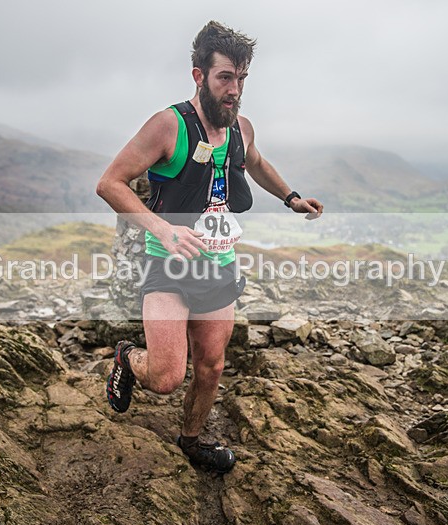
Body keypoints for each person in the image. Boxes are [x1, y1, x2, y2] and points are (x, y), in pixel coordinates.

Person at [96, 20, 323, 473]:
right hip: (169, 264)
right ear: (199, 75)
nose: (235, 89)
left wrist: (291, 197)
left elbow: (255, 163)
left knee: (212, 366)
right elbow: (110, 183)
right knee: (165, 376)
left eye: (241, 79)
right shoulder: (168, 126)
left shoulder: (241, 128)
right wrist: (164, 230)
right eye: (225, 77)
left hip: (218, 265)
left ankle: (192, 440)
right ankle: (127, 356)